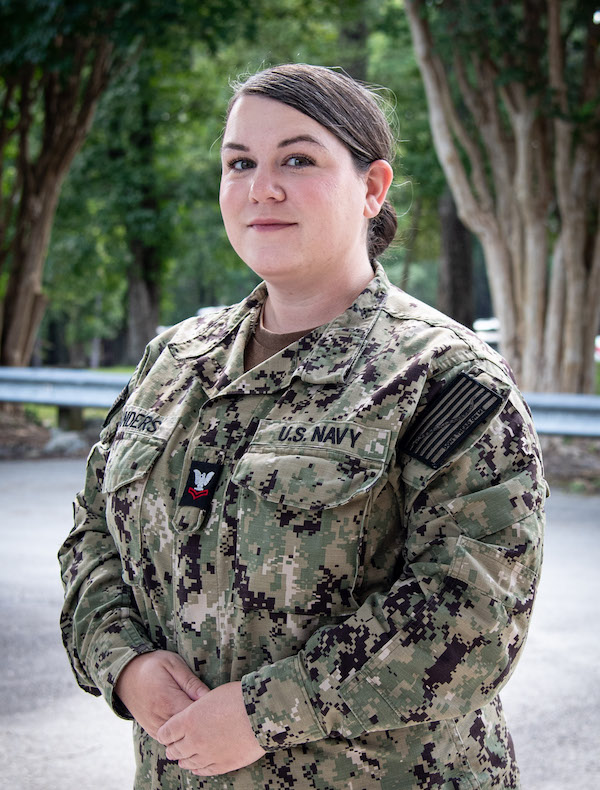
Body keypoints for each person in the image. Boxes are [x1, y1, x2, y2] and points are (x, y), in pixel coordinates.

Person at [59, 63, 546, 789]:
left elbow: (472, 618)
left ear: (372, 189)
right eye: (239, 163)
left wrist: (264, 713)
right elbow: (90, 537)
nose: (262, 187)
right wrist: (123, 660)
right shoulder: (173, 362)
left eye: (298, 159)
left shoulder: (445, 381)